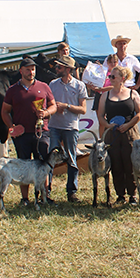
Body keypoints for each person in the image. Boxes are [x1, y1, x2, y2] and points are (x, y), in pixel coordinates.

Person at [2, 55, 56, 204]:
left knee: (43, 165)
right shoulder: (13, 90)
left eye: (33, 69)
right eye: (28, 70)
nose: (31, 72)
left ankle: (45, 196)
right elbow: (5, 111)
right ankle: (25, 198)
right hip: (22, 135)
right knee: (23, 167)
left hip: (41, 132)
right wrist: (11, 127)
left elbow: (54, 106)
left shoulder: (44, 86)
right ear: (21, 71)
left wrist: (45, 113)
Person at [98, 64, 140, 206]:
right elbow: (100, 115)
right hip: (112, 134)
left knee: (130, 164)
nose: (110, 79)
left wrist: (128, 125)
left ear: (122, 78)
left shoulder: (132, 94)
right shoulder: (105, 95)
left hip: (129, 133)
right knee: (116, 164)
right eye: (109, 76)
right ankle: (120, 194)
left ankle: (133, 194)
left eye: (113, 76)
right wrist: (108, 125)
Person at [49, 55, 89, 202]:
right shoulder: (52, 84)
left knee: (72, 159)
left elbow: (83, 109)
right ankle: (47, 192)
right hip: (54, 126)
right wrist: (54, 108)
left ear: (68, 69)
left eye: (59, 67)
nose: (56, 69)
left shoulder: (79, 85)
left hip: (70, 127)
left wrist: (66, 106)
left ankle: (72, 192)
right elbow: (49, 103)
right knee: (50, 158)